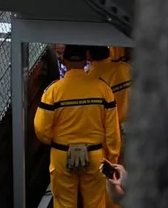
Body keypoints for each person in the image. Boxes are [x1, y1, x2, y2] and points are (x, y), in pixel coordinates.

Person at [34, 44, 122, 208]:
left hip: (62, 154)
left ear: (64, 61)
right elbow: (112, 132)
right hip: (97, 157)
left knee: (64, 203)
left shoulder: (53, 92)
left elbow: (41, 129)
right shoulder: (104, 90)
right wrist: (112, 159)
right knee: (95, 203)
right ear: (85, 60)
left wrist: (57, 141)